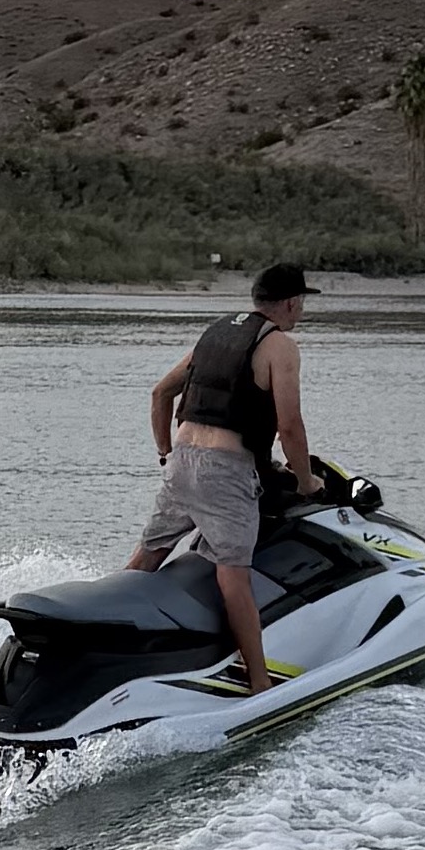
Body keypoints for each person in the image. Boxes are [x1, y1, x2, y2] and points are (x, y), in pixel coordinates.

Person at [132, 261, 324, 691]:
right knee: (233, 572)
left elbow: (161, 392)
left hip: (183, 459)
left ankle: (104, 631)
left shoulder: (215, 333)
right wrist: (307, 482)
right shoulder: (281, 347)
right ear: (292, 303)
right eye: (302, 304)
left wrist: (166, 453)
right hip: (224, 470)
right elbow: (290, 426)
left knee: (149, 553)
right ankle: (259, 683)